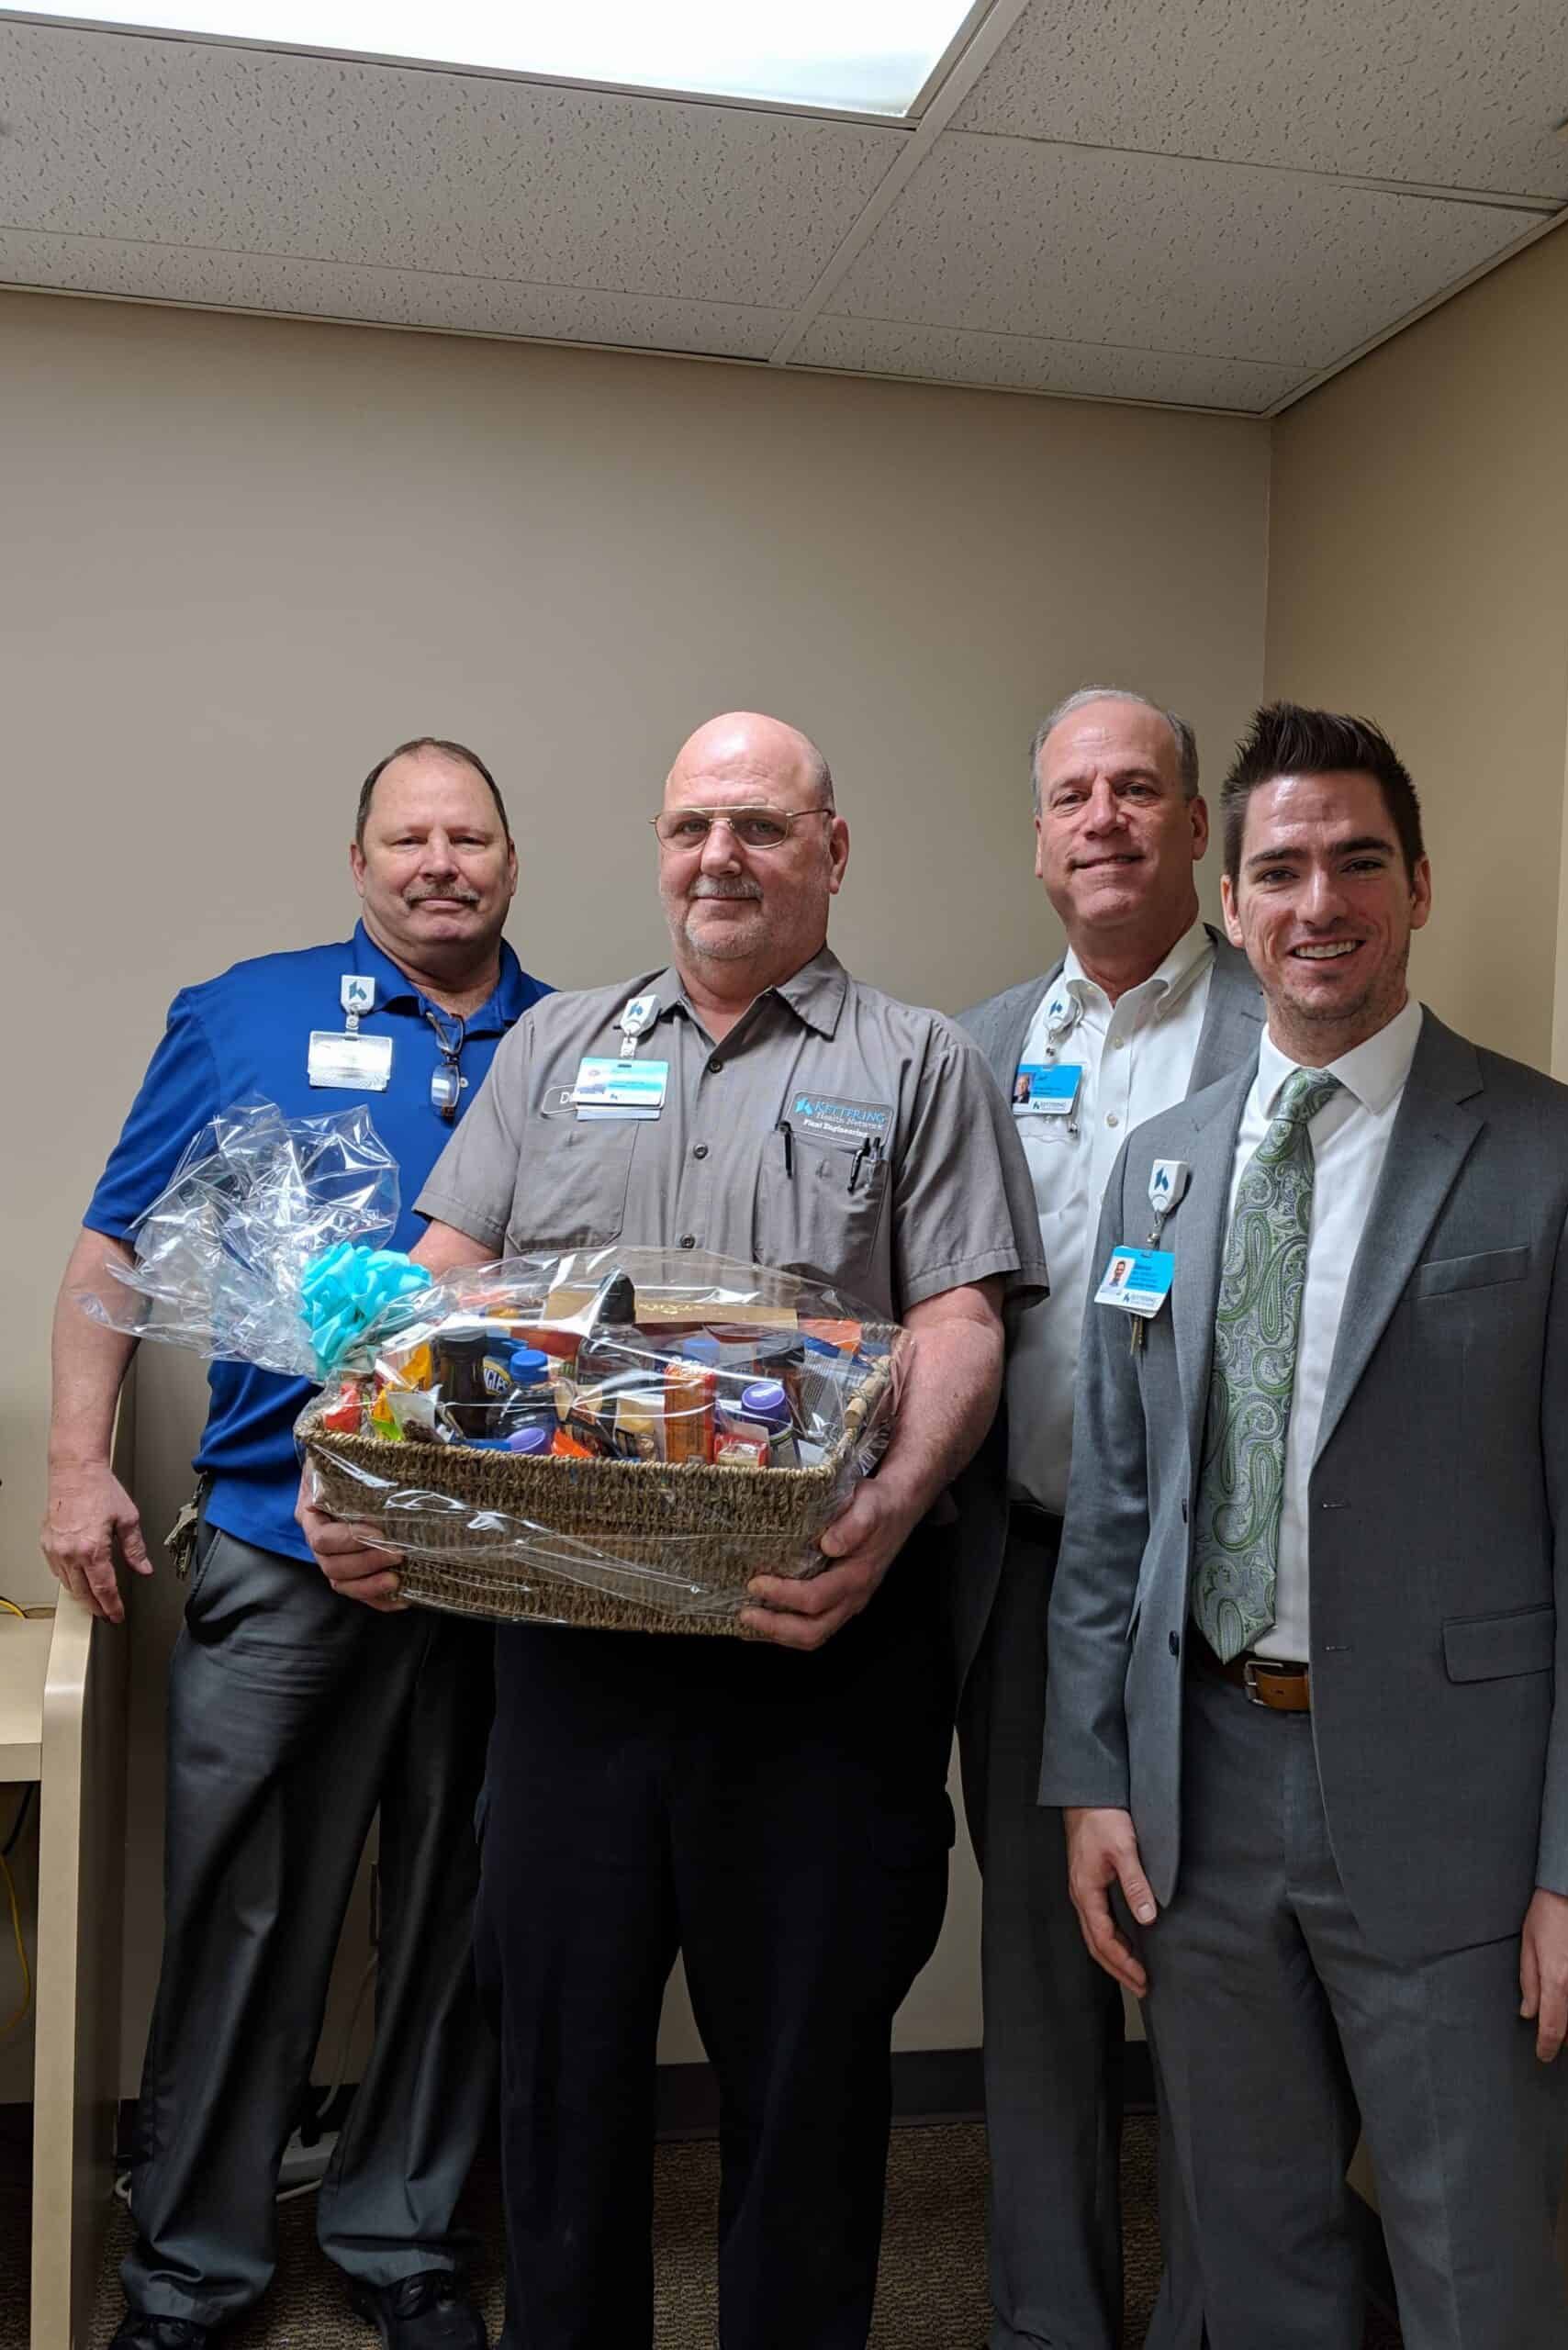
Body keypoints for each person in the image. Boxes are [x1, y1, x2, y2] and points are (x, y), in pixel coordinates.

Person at [303, 711, 1046, 2350]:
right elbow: (439, 1286)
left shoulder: (921, 1062)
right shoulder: (555, 1048)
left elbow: (962, 1325)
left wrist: (891, 1513)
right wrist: (348, 1458)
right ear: (658, 849)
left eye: (762, 827)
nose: (722, 857)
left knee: (806, 2090)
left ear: (831, 852)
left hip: (819, 1657)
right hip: (572, 1664)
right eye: (693, 826)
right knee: (558, 2085)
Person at [1044, 702, 1568, 2350]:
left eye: (1356, 863)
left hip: (1461, 1822)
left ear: (1417, 887)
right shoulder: (1163, 1173)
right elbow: (1118, 1513)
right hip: (1208, 1792)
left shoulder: (1559, 1159)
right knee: (1255, 2256)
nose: (1318, 901)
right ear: (1232, 905)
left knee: (1475, 2272)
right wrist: (1095, 1778)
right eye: (1280, 870)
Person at [42, 738, 551, 2350]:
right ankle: (191, 2266)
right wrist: (75, 1462)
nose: (438, 863)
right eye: (407, 838)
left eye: (468, 837)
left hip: (502, 1553)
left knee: (468, 1903)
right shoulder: (243, 1013)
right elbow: (116, 1240)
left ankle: (404, 2234)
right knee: (242, 1909)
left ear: (510, 863)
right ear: (359, 864)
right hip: (278, 1541)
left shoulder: (585, 1039)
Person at [954, 687, 1262, 2350]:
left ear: (1196, 826)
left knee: (1216, 1989)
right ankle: (1046, 2321)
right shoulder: (986, 1041)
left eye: (1139, 789)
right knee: (1040, 1991)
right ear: (1042, 837)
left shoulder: (1271, 1028)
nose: (1105, 820)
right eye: (1073, 794)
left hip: (1204, 1595)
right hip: (1021, 1569)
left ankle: (1215, 2319)